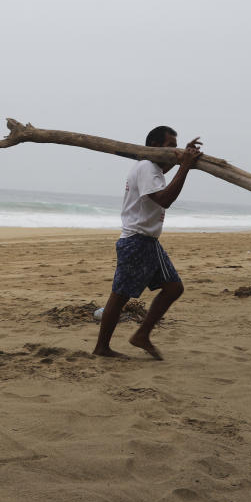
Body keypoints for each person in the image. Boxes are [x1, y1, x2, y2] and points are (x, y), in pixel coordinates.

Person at [93, 126, 202, 360]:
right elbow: (164, 199)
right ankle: (102, 348)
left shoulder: (152, 169)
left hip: (148, 241)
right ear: (154, 146)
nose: (174, 150)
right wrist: (184, 166)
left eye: (176, 145)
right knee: (120, 296)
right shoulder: (146, 167)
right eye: (170, 145)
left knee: (174, 288)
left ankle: (141, 335)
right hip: (136, 241)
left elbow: (162, 172)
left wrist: (184, 159)